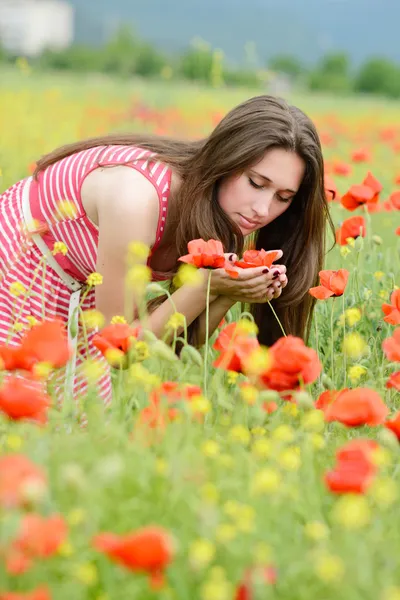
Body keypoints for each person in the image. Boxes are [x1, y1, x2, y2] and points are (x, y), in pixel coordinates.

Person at [0, 95, 333, 403]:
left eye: (283, 198)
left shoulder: (224, 214)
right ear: (225, 160)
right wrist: (205, 284)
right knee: (25, 409)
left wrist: (232, 290)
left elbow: (179, 342)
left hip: (81, 286)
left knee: (80, 419)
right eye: (256, 183)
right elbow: (121, 353)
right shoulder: (136, 200)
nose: (263, 208)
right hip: (20, 261)